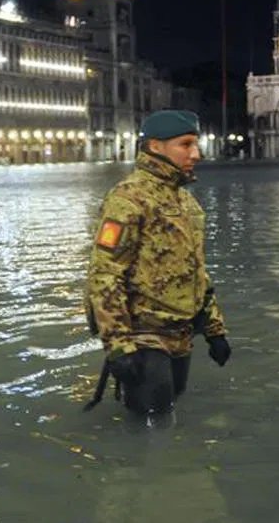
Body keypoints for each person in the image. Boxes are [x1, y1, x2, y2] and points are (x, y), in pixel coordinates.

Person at [85, 110, 231, 415]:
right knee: (153, 420)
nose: (197, 153)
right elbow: (105, 273)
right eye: (186, 144)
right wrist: (118, 346)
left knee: (170, 407)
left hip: (181, 332)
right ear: (155, 146)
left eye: (196, 144)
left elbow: (196, 270)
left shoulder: (185, 201)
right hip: (143, 334)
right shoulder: (127, 199)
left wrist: (215, 329)